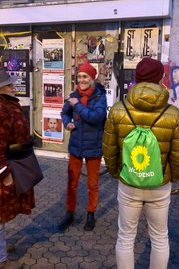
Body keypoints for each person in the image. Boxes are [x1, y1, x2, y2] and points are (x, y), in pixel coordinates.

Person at [103, 58, 179, 269]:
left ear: (137, 78)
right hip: (159, 185)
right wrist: (171, 178)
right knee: (160, 237)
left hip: (129, 183)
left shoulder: (118, 110)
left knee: (125, 237)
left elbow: (109, 149)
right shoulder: (173, 114)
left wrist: (118, 173)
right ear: (160, 79)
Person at [0, 66, 35, 269]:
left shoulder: (4, 103)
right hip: (5, 166)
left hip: (14, 162)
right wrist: (4, 174)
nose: (12, 86)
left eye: (10, 83)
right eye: (7, 84)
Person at [59, 61, 107, 231]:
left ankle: (90, 214)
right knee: (72, 182)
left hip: (93, 146)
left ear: (92, 78)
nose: (81, 79)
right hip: (76, 146)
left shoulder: (100, 96)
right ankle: (69, 213)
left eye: (85, 76)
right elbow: (64, 112)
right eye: (79, 76)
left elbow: (96, 117)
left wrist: (77, 105)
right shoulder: (74, 95)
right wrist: (67, 123)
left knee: (92, 183)